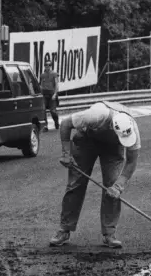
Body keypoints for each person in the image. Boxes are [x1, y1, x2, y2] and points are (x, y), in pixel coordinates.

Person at [50, 101, 141, 249]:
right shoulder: (96, 115)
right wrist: (66, 153)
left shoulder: (131, 130)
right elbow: (66, 124)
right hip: (87, 139)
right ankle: (64, 229)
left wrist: (119, 186)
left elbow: (131, 162)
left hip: (113, 147)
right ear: (112, 126)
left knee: (112, 186)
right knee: (75, 183)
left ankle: (109, 233)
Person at [39, 56, 60, 130]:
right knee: (43, 109)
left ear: (51, 66)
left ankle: (56, 122)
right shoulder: (42, 75)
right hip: (44, 94)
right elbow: (41, 85)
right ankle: (45, 125)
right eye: (46, 65)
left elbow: (57, 85)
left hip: (52, 94)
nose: (47, 67)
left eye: (49, 65)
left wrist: (55, 94)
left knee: (53, 111)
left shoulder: (54, 74)